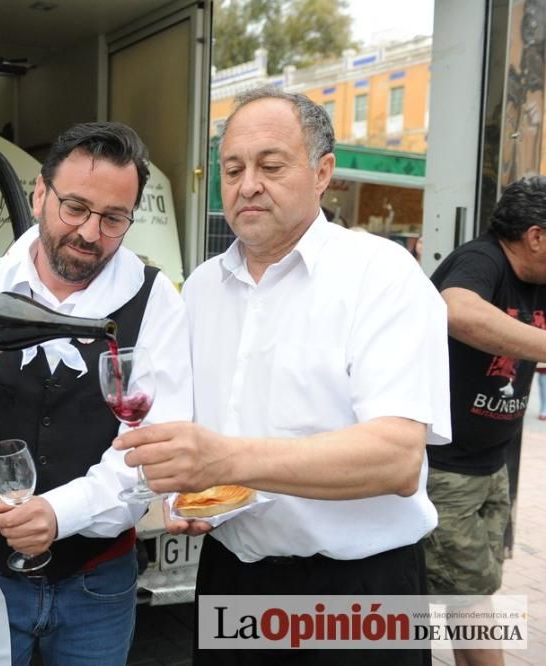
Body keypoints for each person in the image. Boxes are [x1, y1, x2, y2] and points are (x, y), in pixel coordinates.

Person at [113, 87, 451, 665]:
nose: (248, 185)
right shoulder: (199, 289)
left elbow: (396, 459)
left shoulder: (382, 275)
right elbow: (195, 427)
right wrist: (189, 486)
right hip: (231, 577)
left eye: (271, 166)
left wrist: (223, 460)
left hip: (357, 595)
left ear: (323, 173)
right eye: (234, 168)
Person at [0, 121, 193, 665]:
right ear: (40, 194)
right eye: (75, 207)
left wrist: (58, 512)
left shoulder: (155, 300)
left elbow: (153, 450)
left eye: (114, 218)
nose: (91, 233)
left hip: (97, 586)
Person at [423, 176, 546, 666]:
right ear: (535, 236)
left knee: (471, 589)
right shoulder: (482, 259)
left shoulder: (537, 279)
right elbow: (457, 310)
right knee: (467, 595)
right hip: (446, 467)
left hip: (491, 464)